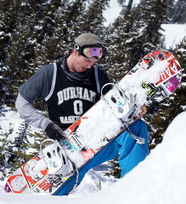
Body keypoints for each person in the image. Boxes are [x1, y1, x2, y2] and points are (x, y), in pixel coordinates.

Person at [15, 32, 149, 195]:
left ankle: (134, 191)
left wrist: (142, 106)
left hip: (98, 140)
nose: (89, 65)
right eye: (87, 60)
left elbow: (119, 104)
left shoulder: (98, 76)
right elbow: (21, 103)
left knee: (137, 128)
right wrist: (46, 124)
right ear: (75, 51)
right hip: (68, 149)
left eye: (93, 62)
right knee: (53, 195)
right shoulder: (50, 73)